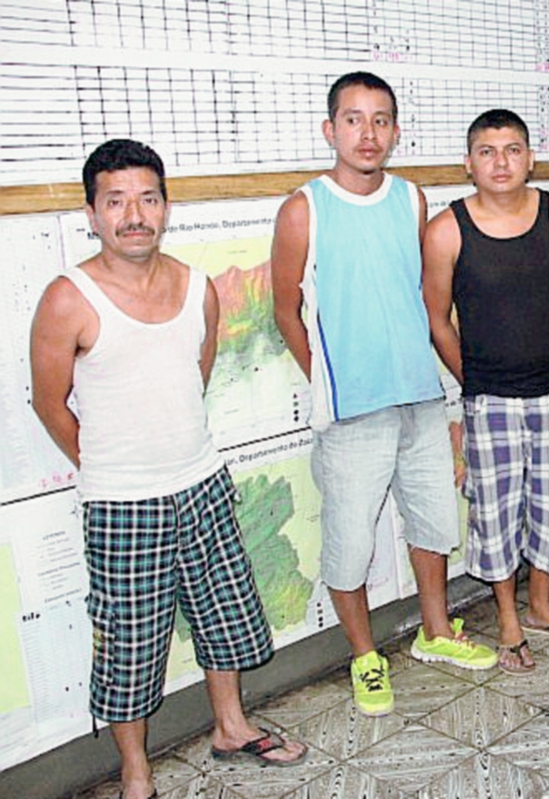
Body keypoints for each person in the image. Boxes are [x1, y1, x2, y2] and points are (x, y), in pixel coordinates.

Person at [29, 139, 308, 799]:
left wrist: (172, 457)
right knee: (130, 643)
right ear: (92, 214)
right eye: (116, 201)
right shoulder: (69, 298)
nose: (134, 215)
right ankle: (136, 772)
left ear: (165, 207)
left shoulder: (195, 287)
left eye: (147, 199)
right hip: (122, 505)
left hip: (202, 482)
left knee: (224, 614)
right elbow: (48, 403)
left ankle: (231, 726)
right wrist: (108, 466)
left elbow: (197, 373)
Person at [271, 72, 497, 716]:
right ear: (330, 129)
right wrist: (325, 375)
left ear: (395, 132)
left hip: (420, 397)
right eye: (353, 119)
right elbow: (286, 308)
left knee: (431, 522)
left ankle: (435, 632)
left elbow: (426, 298)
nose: (367, 133)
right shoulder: (303, 209)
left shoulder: (411, 200)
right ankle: (364, 656)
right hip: (351, 411)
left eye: (380, 120)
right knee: (351, 542)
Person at [422, 109, 549, 675]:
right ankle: (508, 619)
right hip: (489, 398)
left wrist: (539, 358)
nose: (501, 162)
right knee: (494, 513)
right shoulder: (446, 229)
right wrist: (475, 378)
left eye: (513, 149)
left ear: (531, 159)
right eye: (488, 151)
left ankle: (541, 604)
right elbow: (438, 319)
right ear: (469, 163)